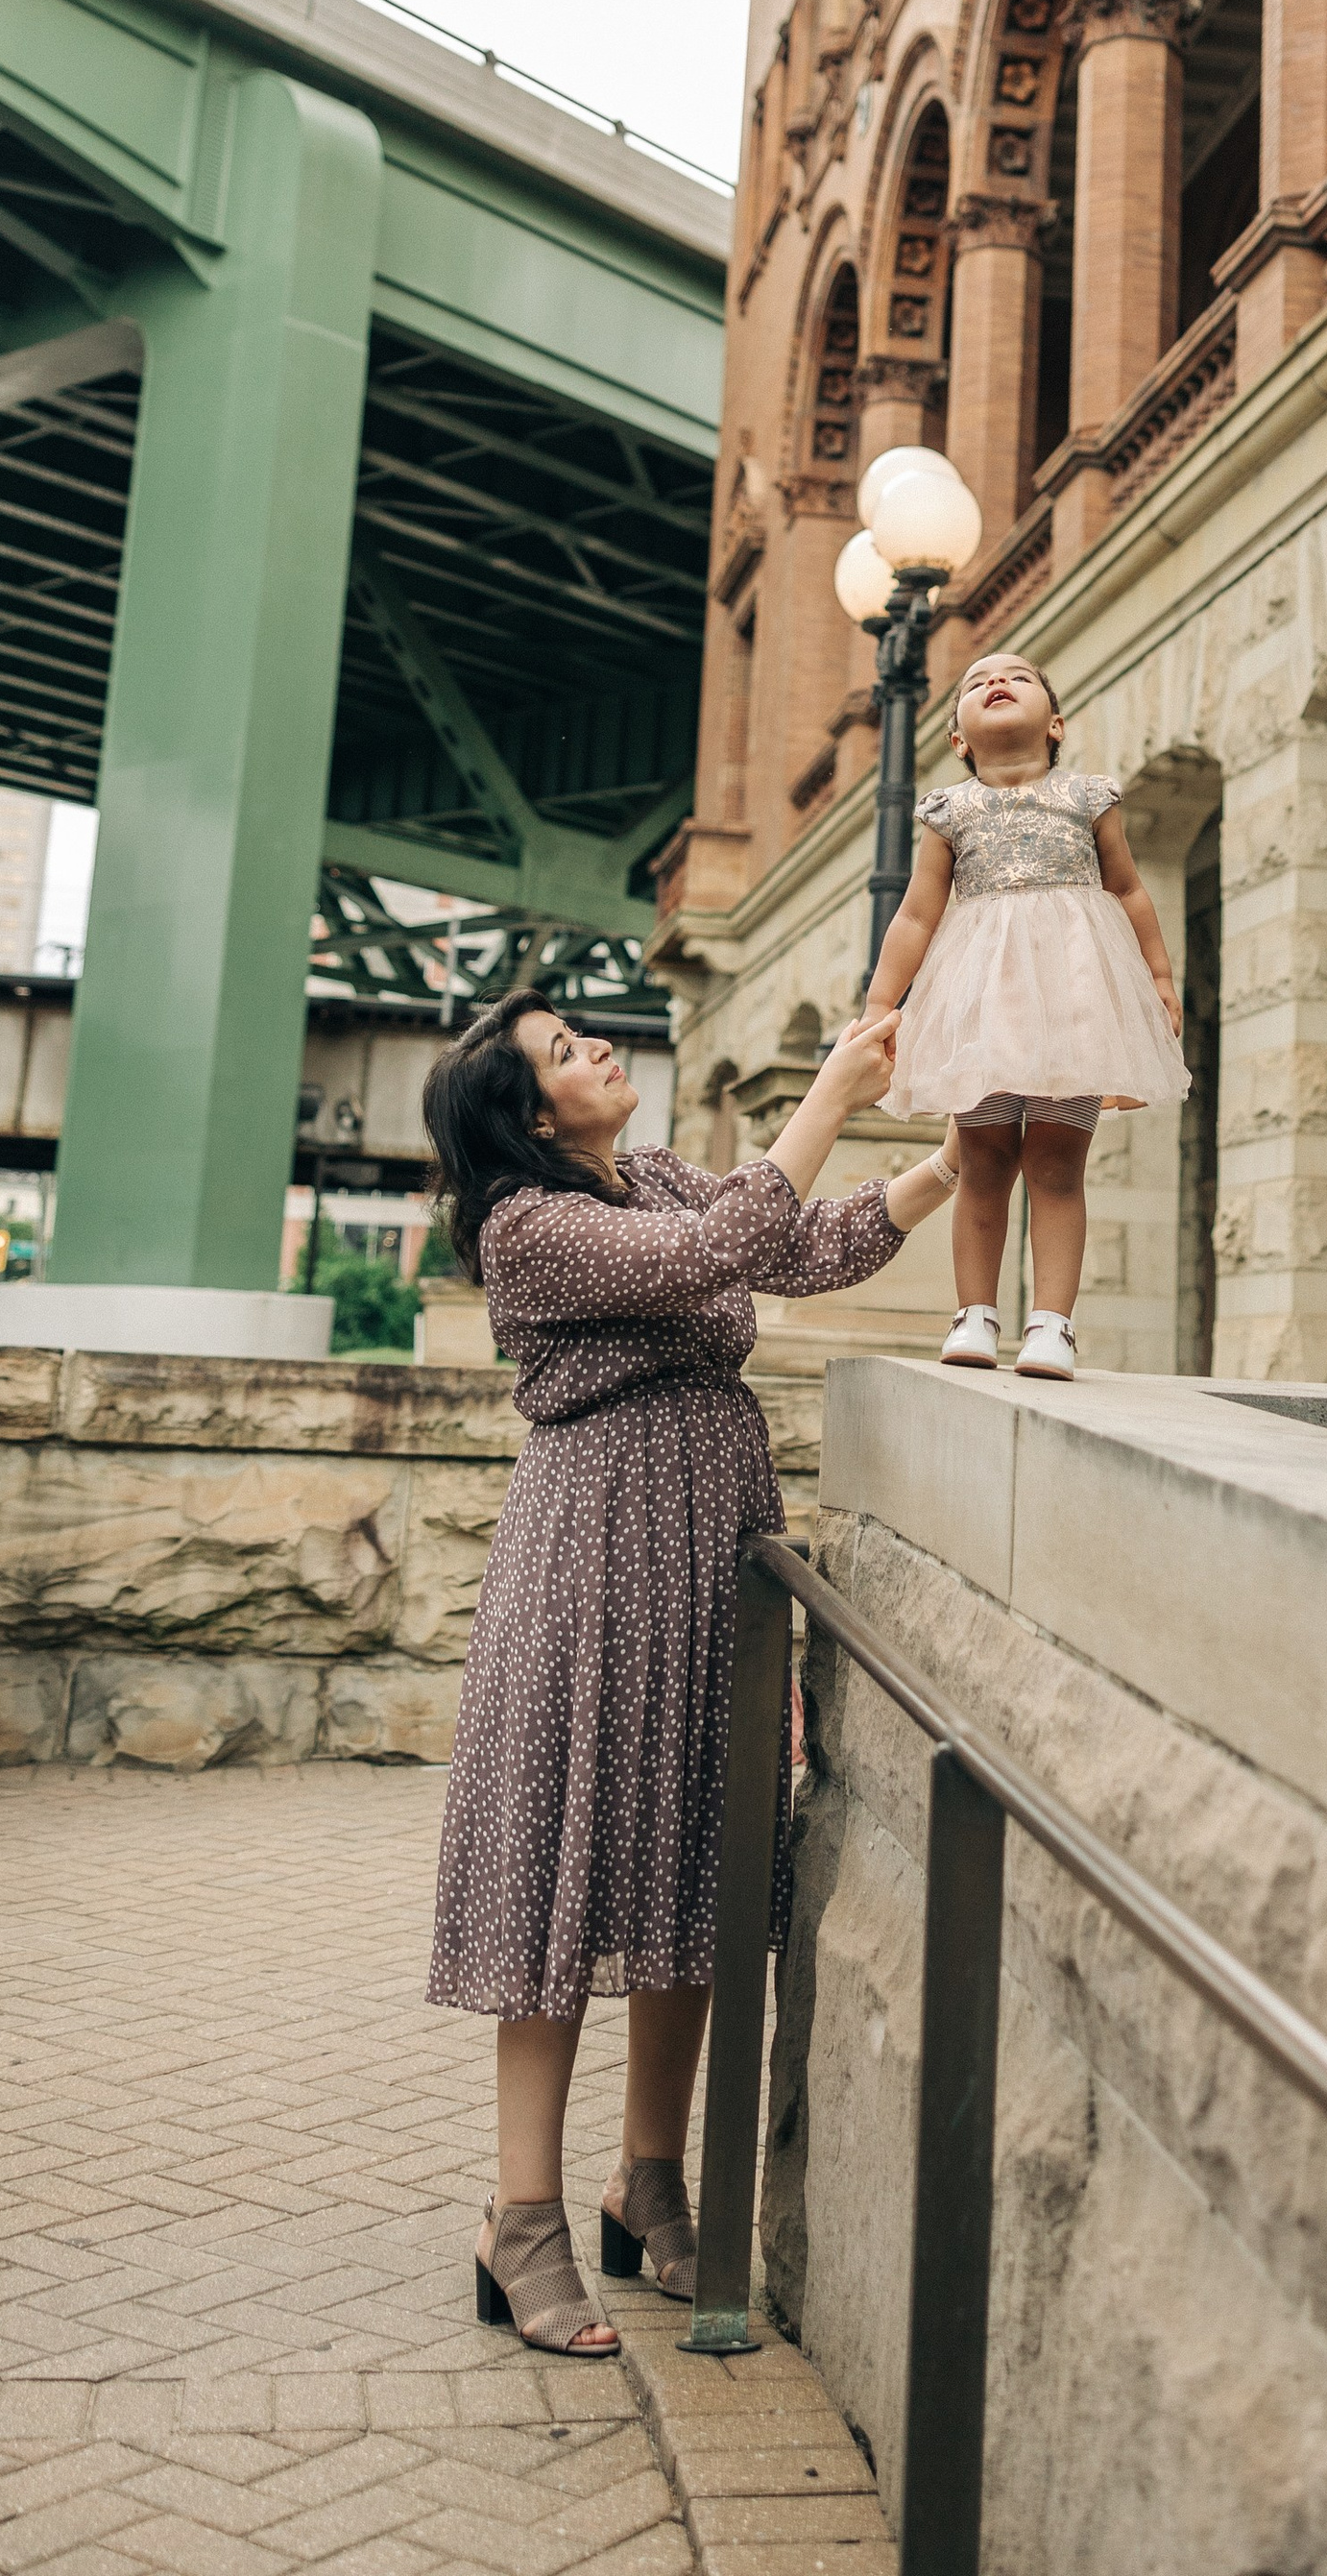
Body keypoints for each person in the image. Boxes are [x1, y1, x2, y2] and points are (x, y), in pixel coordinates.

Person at [422, 993, 955, 2357]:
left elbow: (801, 1240)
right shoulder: (526, 1228)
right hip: (590, 1564)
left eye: (587, 1036)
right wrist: (836, 1087)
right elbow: (729, 1244)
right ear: (532, 1116)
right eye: (565, 1052)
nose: (599, 1049)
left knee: (692, 1868)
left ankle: (648, 2182)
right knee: (559, 1876)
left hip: (708, 1550)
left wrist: (951, 1162)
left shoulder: (651, 1175)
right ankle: (522, 2220)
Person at [859, 651, 1187, 1380]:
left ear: (1057, 723)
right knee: (983, 1159)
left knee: (1057, 1163)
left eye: (1018, 677)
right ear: (959, 742)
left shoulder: (1088, 798)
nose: (995, 683)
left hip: (1073, 999)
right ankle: (974, 1314)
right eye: (974, 683)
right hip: (984, 1004)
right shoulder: (950, 812)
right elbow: (916, 914)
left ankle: (1052, 1325)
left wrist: (1159, 975)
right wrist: (883, 1001)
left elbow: (1129, 890)